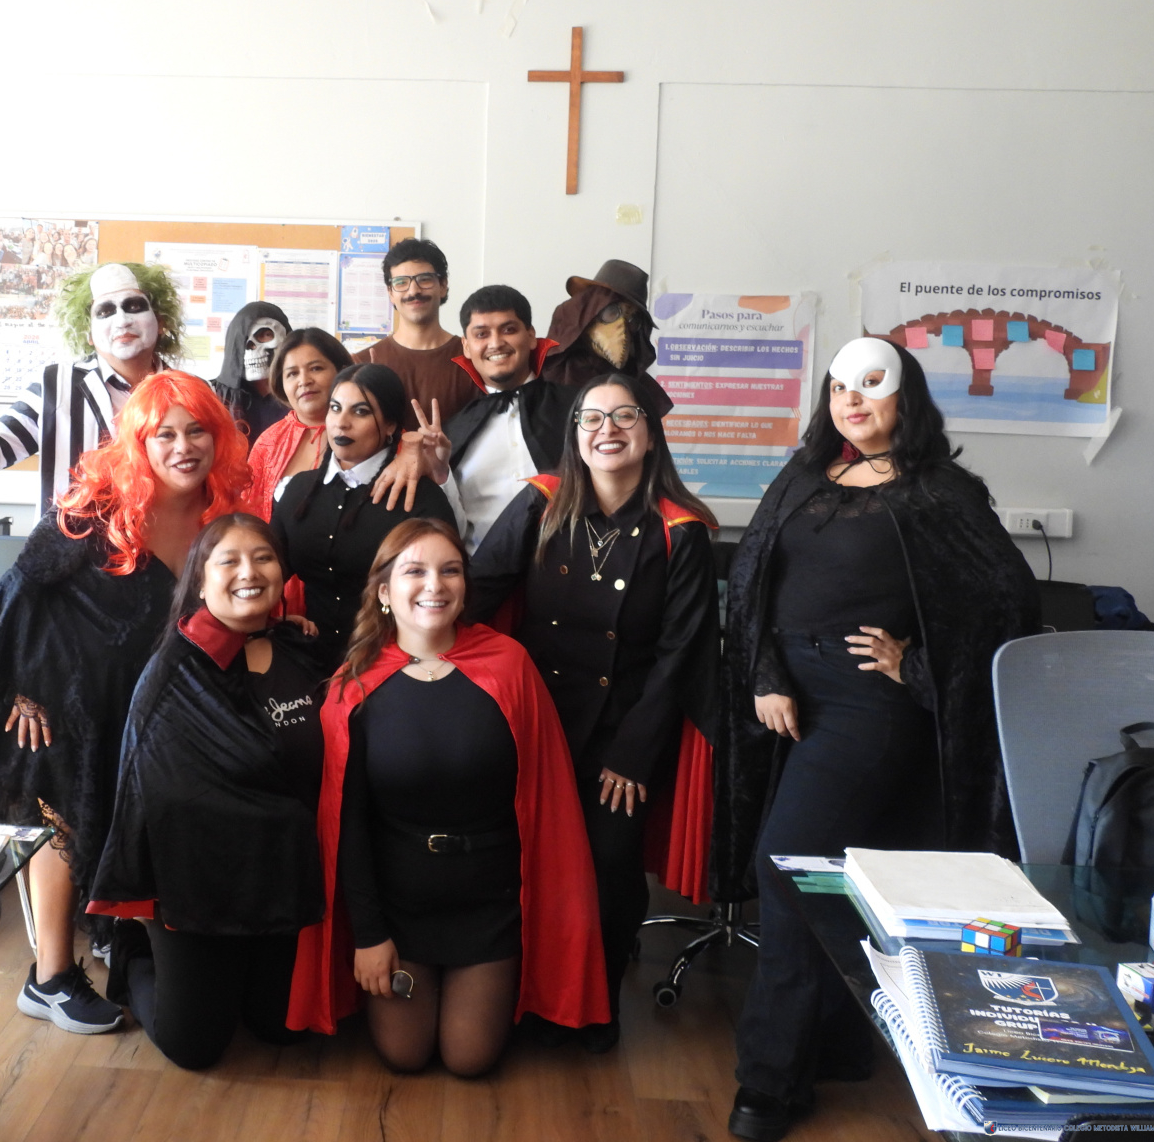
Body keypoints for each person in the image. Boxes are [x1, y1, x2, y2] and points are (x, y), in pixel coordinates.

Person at [712, 338, 1040, 1141]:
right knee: (831, 878)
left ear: (906, 396)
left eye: (870, 385)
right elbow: (753, 583)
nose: (851, 401)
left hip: (868, 708)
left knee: (785, 869)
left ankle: (769, 1081)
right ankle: (833, 1044)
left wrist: (915, 666)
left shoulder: (941, 494)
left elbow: (1008, 604)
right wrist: (765, 676)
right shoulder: (803, 477)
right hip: (787, 701)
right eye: (838, 388)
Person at [0, 370, 250, 1035]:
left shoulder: (224, 509)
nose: (182, 447)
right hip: (70, 700)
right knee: (67, 815)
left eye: (196, 431)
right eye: (164, 434)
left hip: (159, 702)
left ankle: (124, 940)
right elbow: (12, 595)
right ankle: (50, 977)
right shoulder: (97, 506)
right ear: (139, 442)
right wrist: (16, 688)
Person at [286, 518, 608, 1075]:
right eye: (415, 571)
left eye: (450, 570)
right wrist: (370, 936)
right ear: (384, 592)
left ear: (465, 585)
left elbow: (544, 804)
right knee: (404, 1055)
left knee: (469, 1059)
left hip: (489, 903)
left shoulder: (509, 665)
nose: (434, 585)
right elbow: (347, 825)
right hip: (399, 906)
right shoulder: (352, 686)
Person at [466, 372, 719, 1051]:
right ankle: (521, 999)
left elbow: (681, 655)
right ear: (574, 435)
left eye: (625, 417)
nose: (608, 430)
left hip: (623, 734)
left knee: (608, 873)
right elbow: (480, 589)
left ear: (650, 434)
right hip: (536, 722)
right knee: (528, 864)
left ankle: (592, 1010)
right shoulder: (540, 503)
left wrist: (634, 754)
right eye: (592, 418)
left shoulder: (681, 531)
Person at [87, 514, 325, 1070]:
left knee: (280, 1028)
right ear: (200, 580)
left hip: (285, 871)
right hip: (200, 883)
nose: (250, 572)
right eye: (230, 561)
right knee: (194, 1048)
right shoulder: (176, 670)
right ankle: (135, 955)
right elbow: (169, 798)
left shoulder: (300, 648)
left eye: (263, 558)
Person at [0, 261, 183, 514]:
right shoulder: (54, 386)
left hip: (166, 551)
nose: (122, 321)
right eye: (105, 312)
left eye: (134, 307)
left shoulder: (190, 394)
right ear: (89, 334)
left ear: (160, 322)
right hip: (71, 555)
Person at [271, 363, 458, 664]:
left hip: (394, 660)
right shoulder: (297, 490)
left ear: (390, 425)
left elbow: (447, 583)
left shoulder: (418, 496)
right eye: (335, 408)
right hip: (308, 658)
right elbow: (271, 568)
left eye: (360, 412)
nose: (341, 423)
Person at [412, 284, 574, 553]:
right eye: (481, 334)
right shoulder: (452, 432)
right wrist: (440, 474)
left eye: (508, 330)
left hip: (567, 568)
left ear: (531, 336)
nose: (496, 343)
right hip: (480, 573)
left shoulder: (579, 410)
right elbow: (452, 530)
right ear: (466, 346)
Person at [357, 239, 480, 431]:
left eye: (424, 279)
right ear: (390, 293)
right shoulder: (362, 363)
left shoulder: (473, 357)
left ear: (443, 285)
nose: (413, 291)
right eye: (401, 283)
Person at [241, 328, 355, 520]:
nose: (304, 381)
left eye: (316, 368)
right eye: (292, 373)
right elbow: (250, 517)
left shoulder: (371, 428)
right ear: (281, 384)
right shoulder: (269, 443)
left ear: (342, 372)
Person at [541, 260, 672, 419]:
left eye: (632, 320)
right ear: (588, 313)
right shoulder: (546, 375)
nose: (622, 328)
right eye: (612, 313)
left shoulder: (639, 388)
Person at [212, 301, 292, 447]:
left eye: (266, 335)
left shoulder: (299, 392)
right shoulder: (215, 396)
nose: (252, 346)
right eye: (244, 339)